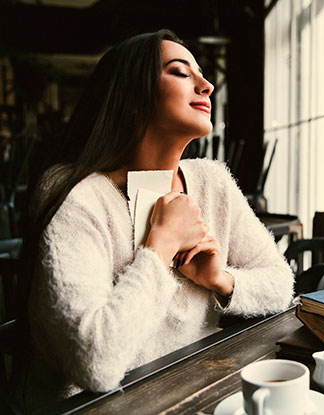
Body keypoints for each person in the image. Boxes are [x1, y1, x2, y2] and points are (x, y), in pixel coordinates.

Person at [19, 29, 294, 410]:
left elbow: (281, 284)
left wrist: (219, 280)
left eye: (202, 74)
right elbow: (95, 363)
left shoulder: (211, 182)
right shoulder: (74, 194)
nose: (207, 85)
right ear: (132, 95)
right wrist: (159, 246)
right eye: (181, 72)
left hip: (196, 389)